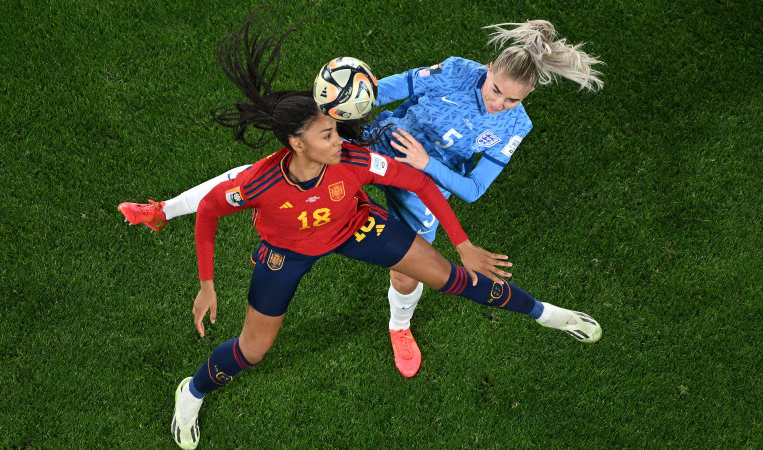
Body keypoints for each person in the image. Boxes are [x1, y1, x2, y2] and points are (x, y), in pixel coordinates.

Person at [162, 16, 601, 449]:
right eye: (330, 132)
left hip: (357, 224)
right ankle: (193, 392)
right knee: (252, 350)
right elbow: (214, 206)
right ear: (298, 144)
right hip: (287, 251)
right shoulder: (265, 180)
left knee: (446, 277)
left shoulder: (355, 160)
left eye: (339, 129)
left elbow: (424, 183)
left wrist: (462, 242)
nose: (342, 138)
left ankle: (543, 313)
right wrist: (205, 282)